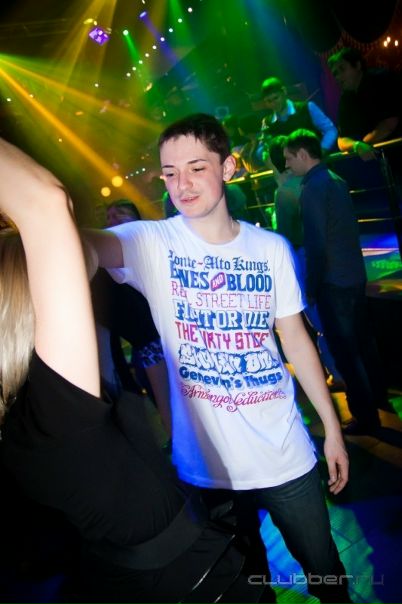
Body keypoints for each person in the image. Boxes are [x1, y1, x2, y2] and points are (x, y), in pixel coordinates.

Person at [86, 113, 352, 603]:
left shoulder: (269, 249)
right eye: (170, 173)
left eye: (196, 168)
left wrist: (332, 429)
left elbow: (295, 339)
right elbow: (82, 246)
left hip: (283, 453)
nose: (181, 185)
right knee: (245, 586)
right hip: (207, 469)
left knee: (326, 573)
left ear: (227, 168)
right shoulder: (153, 243)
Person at [0, 136, 268, 604]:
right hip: (186, 581)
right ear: (28, 301)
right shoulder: (51, 413)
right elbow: (45, 203)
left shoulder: (24, 409)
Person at [283, 128, 389, 435]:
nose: (287, 164)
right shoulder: (336, 180)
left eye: (289, 158)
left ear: (303, 154)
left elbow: (316, 243)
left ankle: (365, 418)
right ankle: (379, 401)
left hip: (333, 281)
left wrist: (311, 286)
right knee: (364, 346)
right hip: (353, 275)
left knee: (346, 353)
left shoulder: (313, 188)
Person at [267, 135, 343, 388]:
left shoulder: (285, 192)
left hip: (303, 257)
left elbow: (286, 236)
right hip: (332, 257)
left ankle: (337, 373)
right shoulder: (321, 179)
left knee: (319, 318)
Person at [328, 47, 401, 160]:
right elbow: (341, 140)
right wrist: (357, 145)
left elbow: (390, 123)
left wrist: (363, 144)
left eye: (342, 69)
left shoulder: (381, 79)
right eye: (335, 73)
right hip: (384, 160)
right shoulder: (346, 98)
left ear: (358, 65)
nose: (338, 77)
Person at [259, 76, 338, 154]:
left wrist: (321, 151)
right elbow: (261, 149)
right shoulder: (267, 122)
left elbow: (330, 130)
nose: (273, 104)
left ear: (284, 91)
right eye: (269, 101)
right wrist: (264, 151)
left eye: (276, 98)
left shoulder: (307, 107)